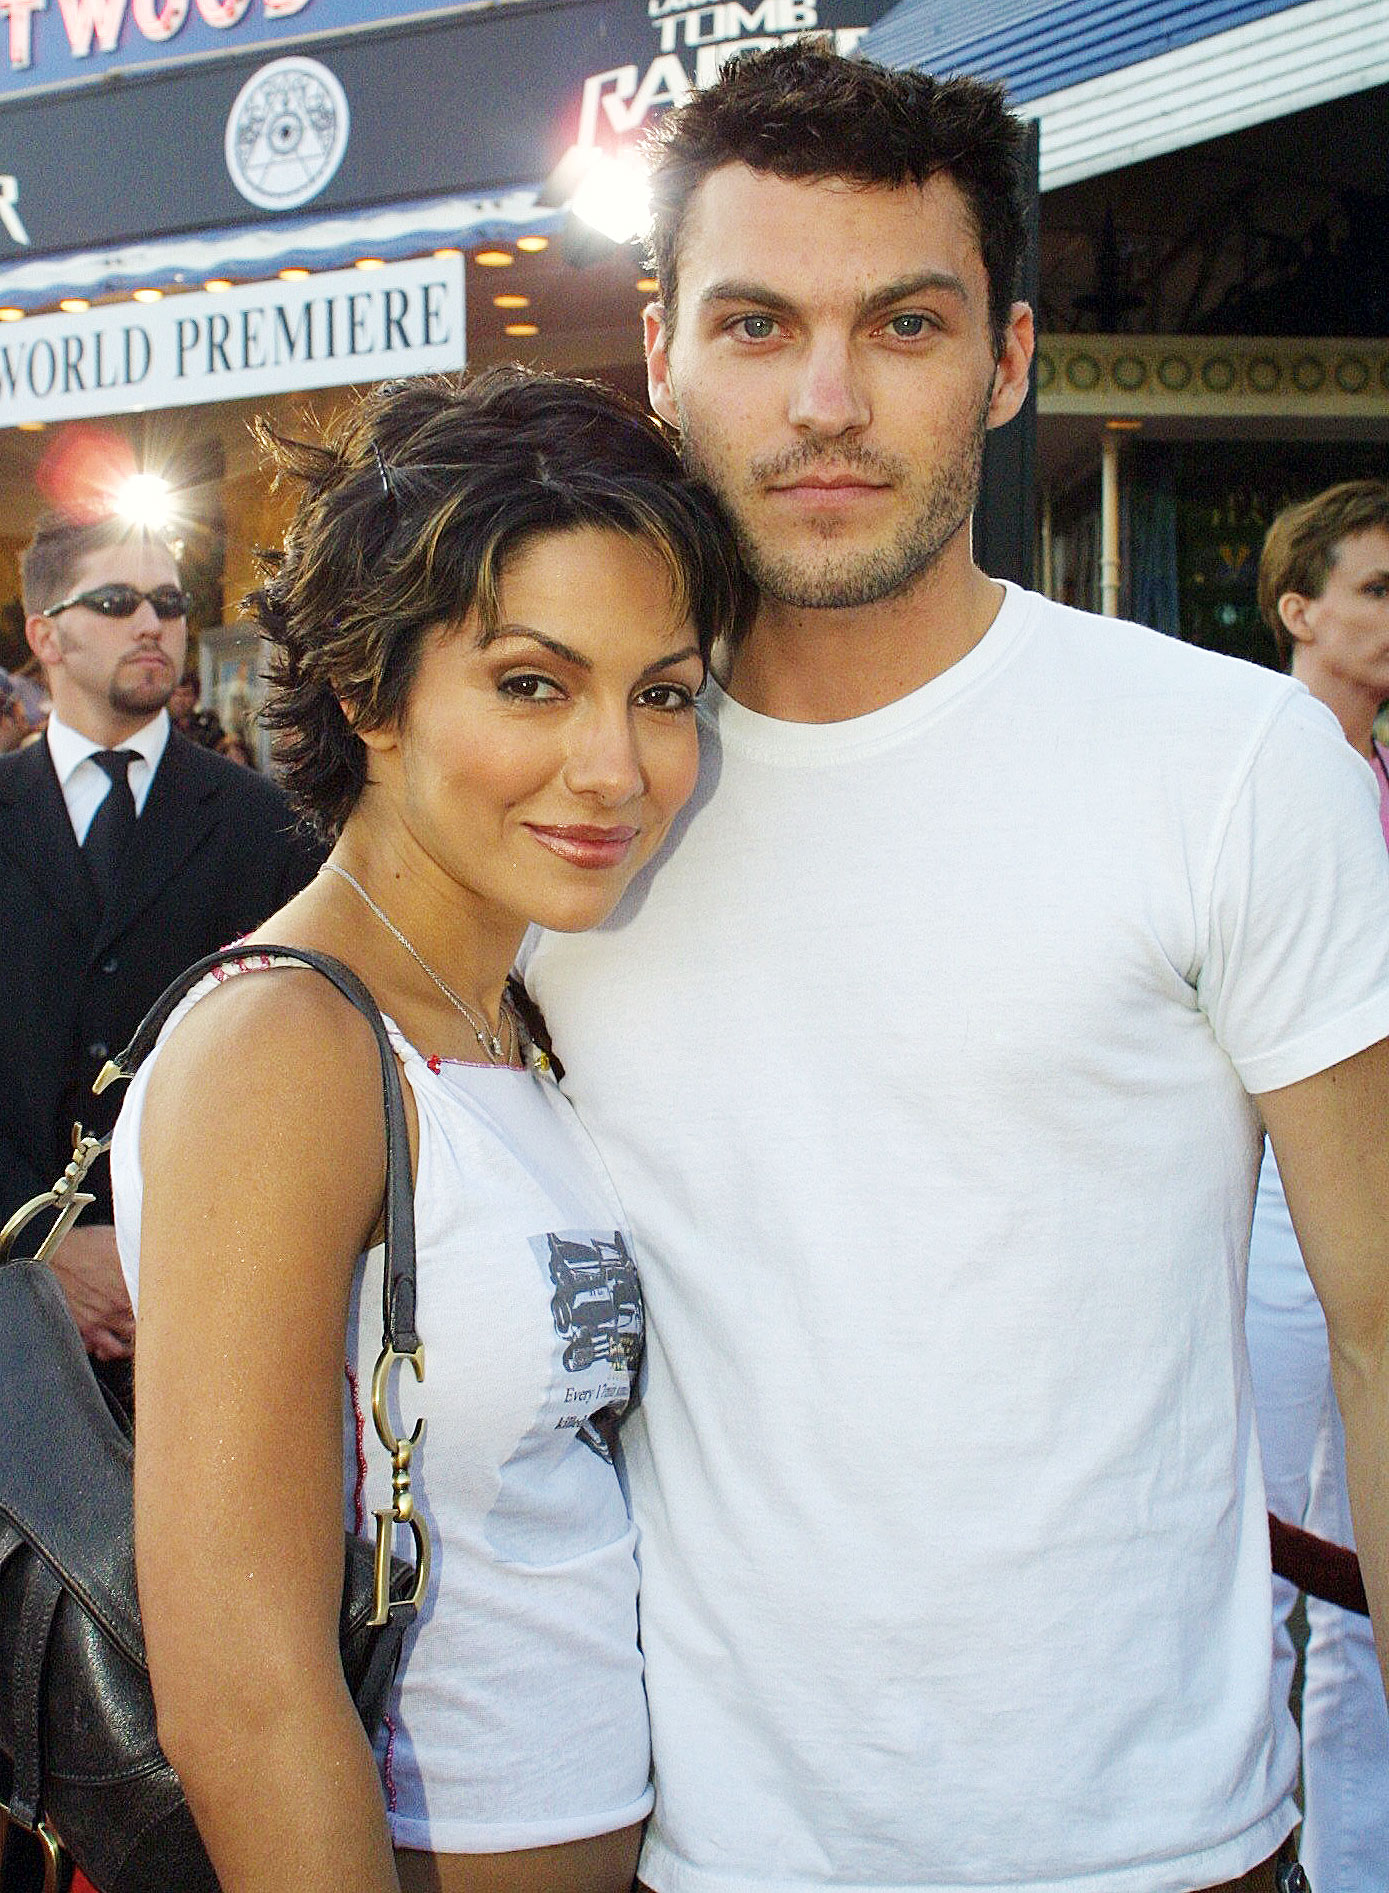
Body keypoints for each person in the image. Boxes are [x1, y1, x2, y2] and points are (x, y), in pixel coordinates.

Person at [521, 44, 1389, 1893]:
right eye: (756, 325)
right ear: (662, 353)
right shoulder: (567, 808)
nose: (825, 402)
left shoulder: (1232, 766)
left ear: (1005, 362)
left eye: (902, 325)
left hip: (1165, 1846)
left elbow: (1383, 1328)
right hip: (700, 1850)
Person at [108, 369, 751, 1893]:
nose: (615, 767)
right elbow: (242, 1685)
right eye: (533, 684)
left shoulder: (521, 1011)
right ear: (366, 689)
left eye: (663, 694)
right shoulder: (285, 1045)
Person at [1, 511, 322, 1388]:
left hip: (207, 1320)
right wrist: (39, 1240)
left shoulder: (268, 825)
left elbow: (298, 1066)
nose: (152, 623)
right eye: (116, 601)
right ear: (46, 635)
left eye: (170, 603)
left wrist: (174, 1251)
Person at [1244, 479, 1389, 1893]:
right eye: (1379, 590)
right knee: (1264, 1567)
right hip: (1274, 1218)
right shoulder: (1247, 774)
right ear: (1299, 608)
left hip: (1367, 1208)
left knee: (1350, 1598)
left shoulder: (1375, 775)